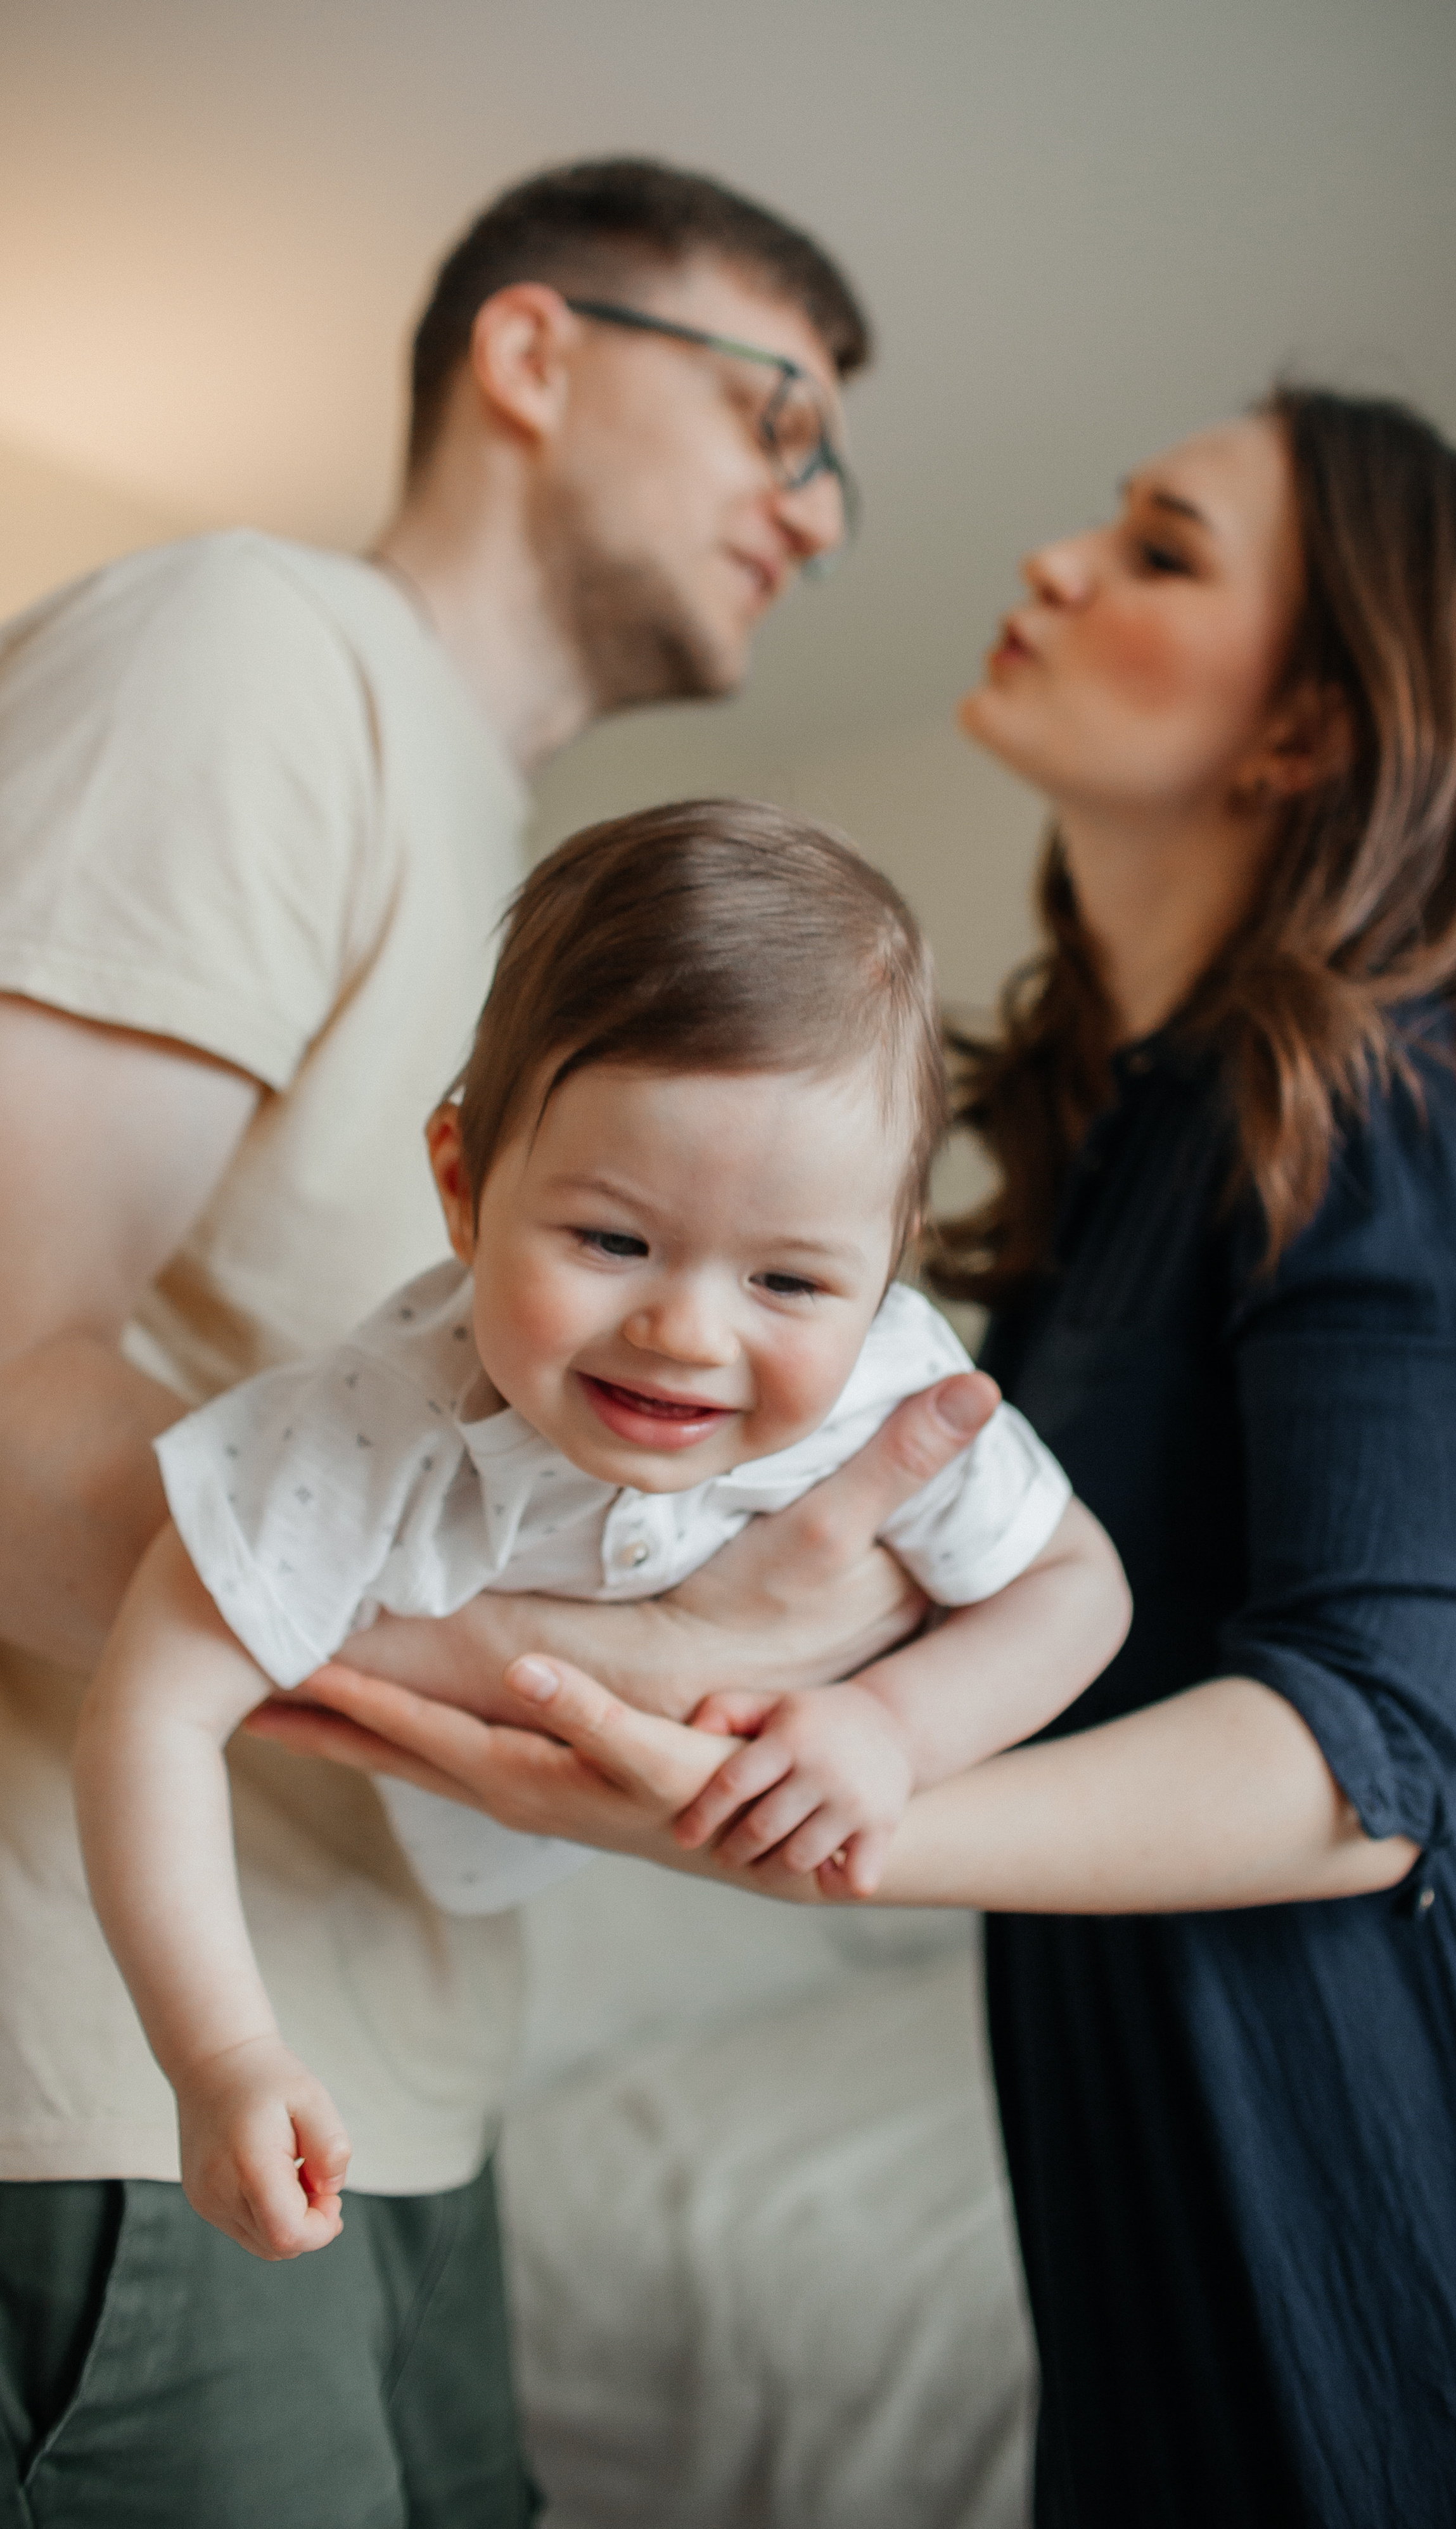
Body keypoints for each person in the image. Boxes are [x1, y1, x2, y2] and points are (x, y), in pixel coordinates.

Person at [265, 387, 1456, 2526]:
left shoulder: (1394, 1105)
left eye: (1162, 549)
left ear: (1307, 732)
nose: (1055, 564)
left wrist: (826, 1823)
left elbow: (1376, 1752)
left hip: (1378, 2066)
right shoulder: (1129, 1126)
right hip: (1125, 2043)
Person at [0, 156, 987, 2529]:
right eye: (778, 410)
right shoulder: (255, 653)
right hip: (115, 2068)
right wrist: (599, 1655)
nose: (820, 506)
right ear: (533, 355)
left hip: (407, 2082)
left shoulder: (532, 883)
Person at [75, 800, 1127, 2263]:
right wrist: (222, 2054)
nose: (685, 1331)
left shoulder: (894, 1386)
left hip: (736, 1852)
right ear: (461, 1183)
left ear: (886, 1268)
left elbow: (1081, 1588)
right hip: (445, 1884)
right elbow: (152, 1709)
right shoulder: (374, 1420)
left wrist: (894, 1726)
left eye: (789, 1281)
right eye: (612, 1240)